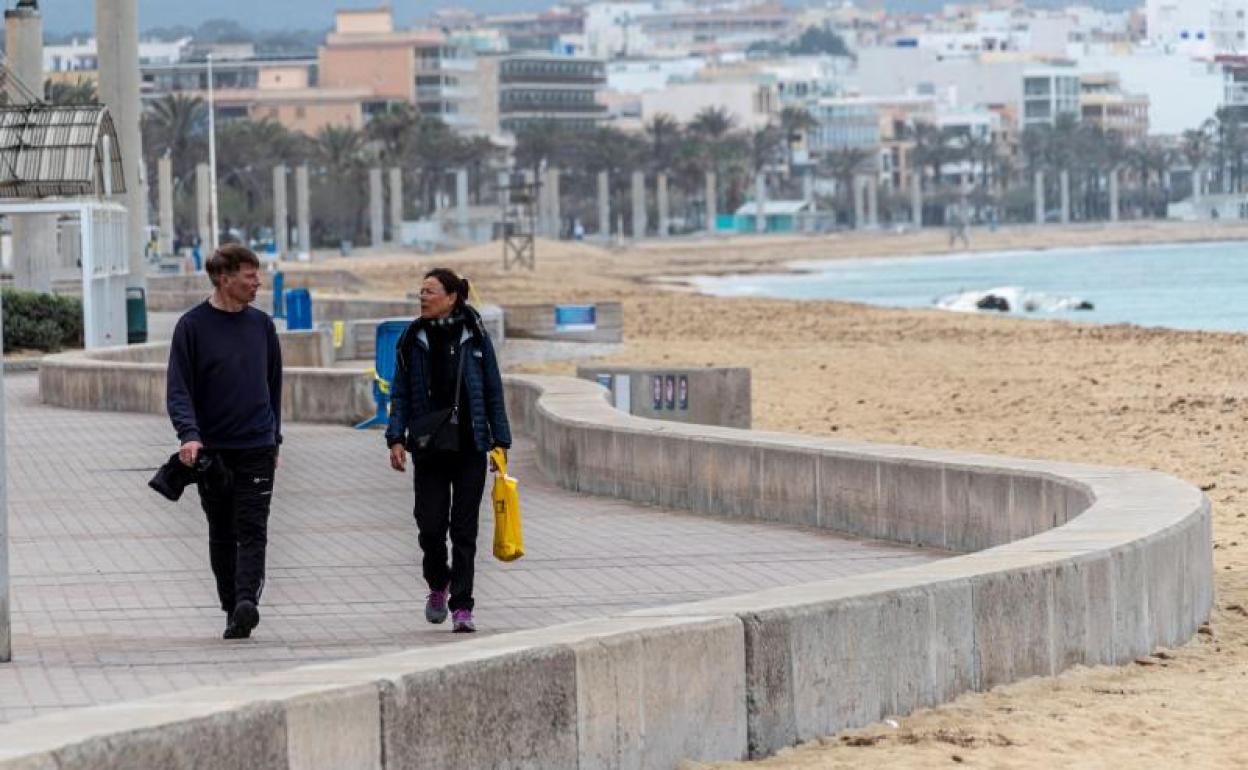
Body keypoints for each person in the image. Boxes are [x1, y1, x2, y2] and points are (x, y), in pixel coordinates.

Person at [166, 244, 282, 640]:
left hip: (257, 446)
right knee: (222, 530)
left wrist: (275, 439)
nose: (257, 283)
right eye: (250, 276)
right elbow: (179, 390)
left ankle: (247, 600)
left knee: (253, 527)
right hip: (211, 450)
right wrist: (190, 436)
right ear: (224, 277)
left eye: (257, 275)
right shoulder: (191, 327)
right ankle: (231, 604)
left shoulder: (262, 326)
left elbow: (274, 386)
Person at [386, 268, 511, 634]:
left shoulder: (476, 335)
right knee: (429, 527)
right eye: (420, 292)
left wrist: (500, 441)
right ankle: (438, 583)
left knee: (464, 530)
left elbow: (492, 389)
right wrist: (396, 438)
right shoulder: (412, 338)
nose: (422, 297)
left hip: (470, 445)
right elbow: (400, 392)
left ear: (452, 296)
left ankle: (462, 605)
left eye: (430, 291)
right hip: (428, 447)